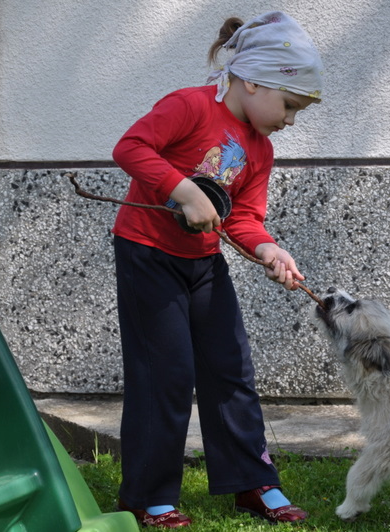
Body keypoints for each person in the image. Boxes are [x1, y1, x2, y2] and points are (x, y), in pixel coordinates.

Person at [110, 11, 323, 528]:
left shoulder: (260, 147)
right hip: (147, 256)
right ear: (252, 80)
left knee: (231, 371)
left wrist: (269, 250)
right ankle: (149, 495)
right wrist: (180, 189)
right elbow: (130, 147)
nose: (290, 120)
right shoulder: (188, 106)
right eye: (289, 105)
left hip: (204, 264)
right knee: (167, 374)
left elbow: (244, 218)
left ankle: (253, 482)